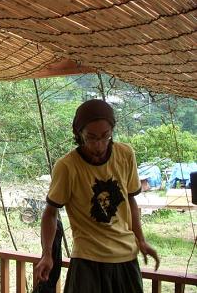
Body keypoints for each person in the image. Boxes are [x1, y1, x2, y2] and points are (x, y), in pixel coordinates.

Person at [35, 99, 159, 293]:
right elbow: (50, 213)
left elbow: (130, 200)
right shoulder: (67, 166)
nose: (99, 146)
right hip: (87, 262)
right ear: (79, 134)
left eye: (105, 136)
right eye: (91, 138)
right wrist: (47, 254)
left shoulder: (125, 155)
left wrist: (140, 240)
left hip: (126, 258)